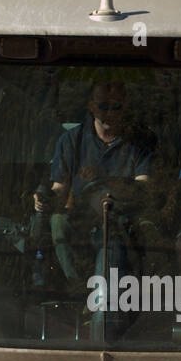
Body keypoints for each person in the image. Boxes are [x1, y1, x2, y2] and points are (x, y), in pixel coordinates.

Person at [31, 81, 155, 285]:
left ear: (125, 107)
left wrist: (104, 180)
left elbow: (144, 188)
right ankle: (80, 290)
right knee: (58, 222)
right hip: (83, 217)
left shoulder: (141, 141)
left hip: (127, 218)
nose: (110, 113)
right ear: (91, 105)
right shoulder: (70, 140)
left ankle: (125, 294)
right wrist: (44, 200)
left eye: (117, 107)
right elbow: (59, 189)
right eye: (103, 106)